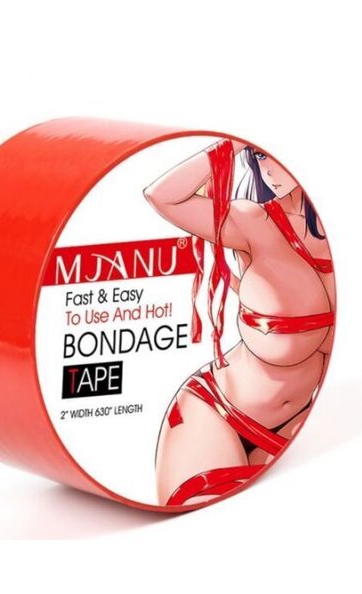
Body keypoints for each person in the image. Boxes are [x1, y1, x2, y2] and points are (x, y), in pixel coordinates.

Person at [142, 138, 335, 506]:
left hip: (299, 427)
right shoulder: (254, 221)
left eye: (276, 153)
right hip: (216, 413)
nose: (269, 169)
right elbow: (162, 196)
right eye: (259, 156)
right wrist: (232, 142)